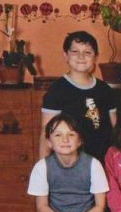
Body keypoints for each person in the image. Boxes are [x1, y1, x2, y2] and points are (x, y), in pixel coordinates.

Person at [27, 113, 108, 212]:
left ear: (80, 140)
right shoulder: (42, 167)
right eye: (58, 135)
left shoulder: (93, 165)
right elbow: (42, 206)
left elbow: (100, 207)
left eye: (71, 134)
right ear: (49, 142)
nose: (65, 140)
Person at [41, 31, 116, 163]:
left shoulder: (105, 90)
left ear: (96, 57)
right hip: (68, 164)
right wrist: (43, 169)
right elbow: (45, 133)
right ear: (66, 55)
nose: (81, 56)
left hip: (103, 162)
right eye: (75, 51)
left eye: (87, 52)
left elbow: (116, 129)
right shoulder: (56, 91)